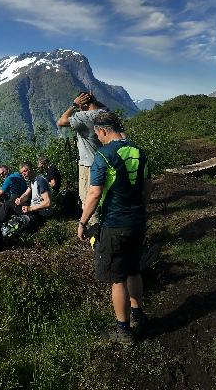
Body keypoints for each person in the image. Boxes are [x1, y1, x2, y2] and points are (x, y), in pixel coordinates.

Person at [78, 110, 151, 344]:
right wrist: (140, 209)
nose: (97, 138)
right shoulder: (139, 152)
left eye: (97, 134)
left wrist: (82, 222)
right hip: (137, 221)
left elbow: (94, 193)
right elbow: (147, 187)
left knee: (117, 278)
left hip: (114, 225)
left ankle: (123, 329)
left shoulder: (104, 156)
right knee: (134, 269)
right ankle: (138, 314)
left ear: (102, 131)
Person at [59, 91, 108, 222]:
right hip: (106, 162)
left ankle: (95, 235)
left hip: (88, 166)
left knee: (88, 201)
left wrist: (74, 105)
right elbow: (101, 107)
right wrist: (93, 100)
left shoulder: (84, 117)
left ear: (82, 104)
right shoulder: (105, 114)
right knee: (104, 197)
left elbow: (61, 121)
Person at [6, 162, 56, 235]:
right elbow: (26, 194)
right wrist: (20, 199)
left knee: (9, 206)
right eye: (22, 172)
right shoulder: (32, 181)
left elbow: (48, 202)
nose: (24, 174)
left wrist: (30, 208)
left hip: (41, 213)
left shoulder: (40, 181)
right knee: (10, 203)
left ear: (32, 169)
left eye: (25, 171)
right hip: (34, 210)